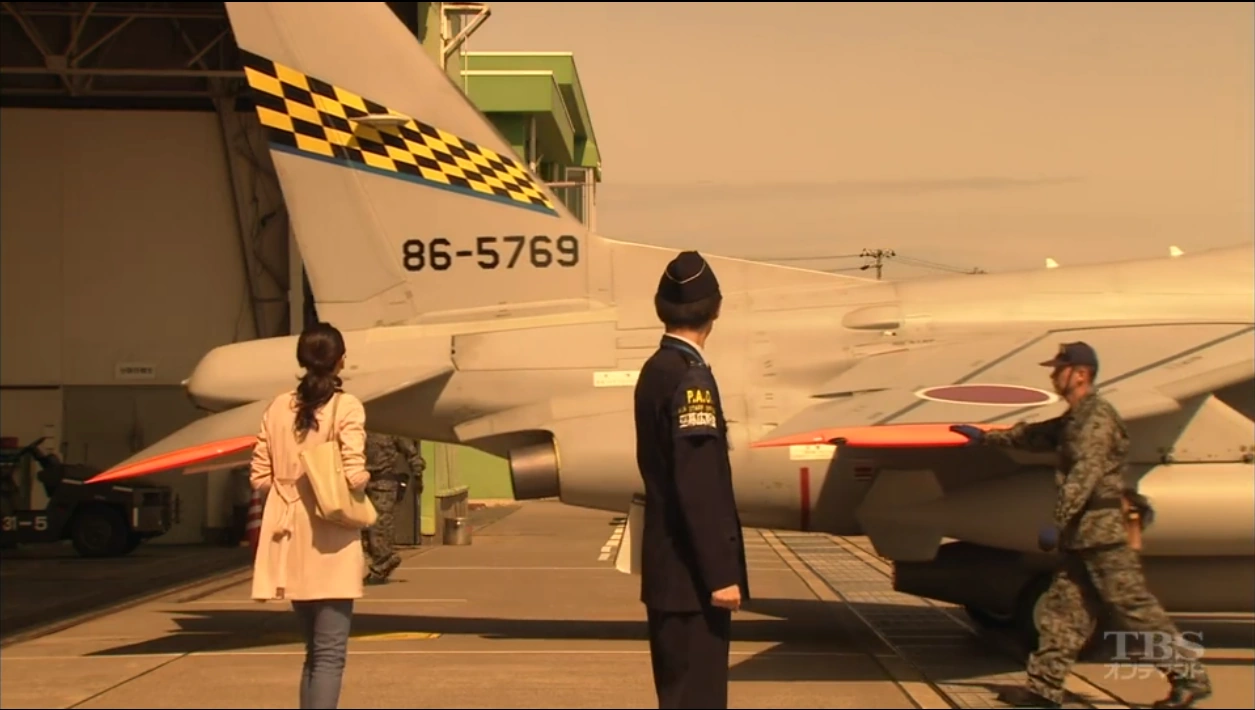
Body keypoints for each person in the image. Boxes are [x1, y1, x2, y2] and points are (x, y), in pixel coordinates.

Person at [950, 342, 1211, 710]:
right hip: (1084, 537)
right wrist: (985, 437)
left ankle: (1190, 679)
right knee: (1064, 612)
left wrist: (1057, 523)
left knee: (1133, 608)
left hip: (1103, 536)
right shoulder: (1076, 418)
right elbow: (1035, 436)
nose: (1053, 375)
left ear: (1081, 374)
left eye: (1060, 369)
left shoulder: (1096, 420)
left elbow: (1084, 476)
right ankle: (1044, 689)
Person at [632, 250, 749, 710]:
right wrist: (721, 574)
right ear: (715, 310)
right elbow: (698, 483)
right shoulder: (690, 378)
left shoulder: (656, 369)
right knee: (697, 698)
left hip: (670, 572)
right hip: (691, 579)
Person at [249, 321, 370, 710]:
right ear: (341, 360)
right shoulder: (345, 406)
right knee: (330, 655)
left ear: (301, 359)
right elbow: (354, 473)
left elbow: (259, 477)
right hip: (330, 536)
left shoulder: (277, 407)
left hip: (286, 536)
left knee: (313, 653)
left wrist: (288, 487)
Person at [362, 432, 425, 584]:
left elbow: (412, 454)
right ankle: (381, 562)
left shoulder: (390, 430)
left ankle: (384, 562)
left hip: (383, 481)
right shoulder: (356, 425)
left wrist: (417, 477)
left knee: (380, 525)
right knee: (363, 527)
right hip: (360, 481)